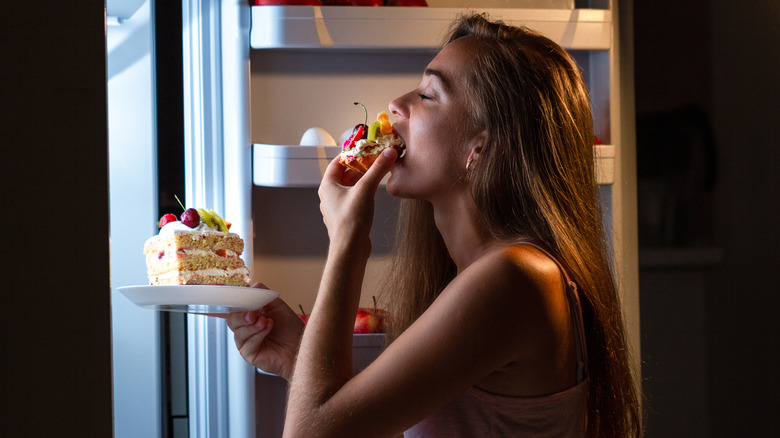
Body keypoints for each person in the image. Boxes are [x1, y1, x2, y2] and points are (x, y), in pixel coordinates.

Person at [226, 13, 643, 437]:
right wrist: (301, 362)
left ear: (480, 147)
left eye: (427, 95)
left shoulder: (513, 279)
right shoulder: (494, 277)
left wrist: (347, 239)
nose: (395, 106)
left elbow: (311, 434)